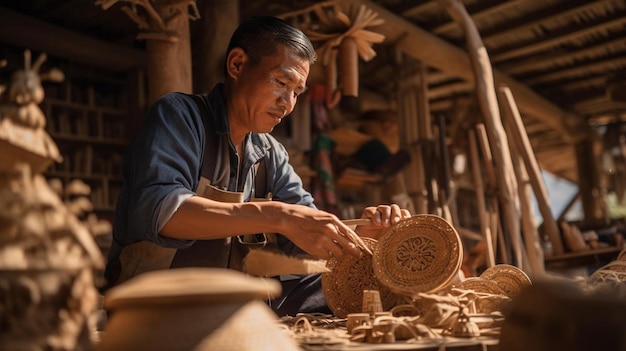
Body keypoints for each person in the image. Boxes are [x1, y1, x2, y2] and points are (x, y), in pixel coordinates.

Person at [103, 15, 411, 316]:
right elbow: (161, 214)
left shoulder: (271, 153)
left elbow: (305, 234)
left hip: (235, 301)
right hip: (159, 305)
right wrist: (275, 215)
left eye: (296, 92)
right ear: (237, 64)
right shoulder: (180, 117)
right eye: (281, 82)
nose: (288, 103)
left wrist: (358, 234)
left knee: (338, 287)